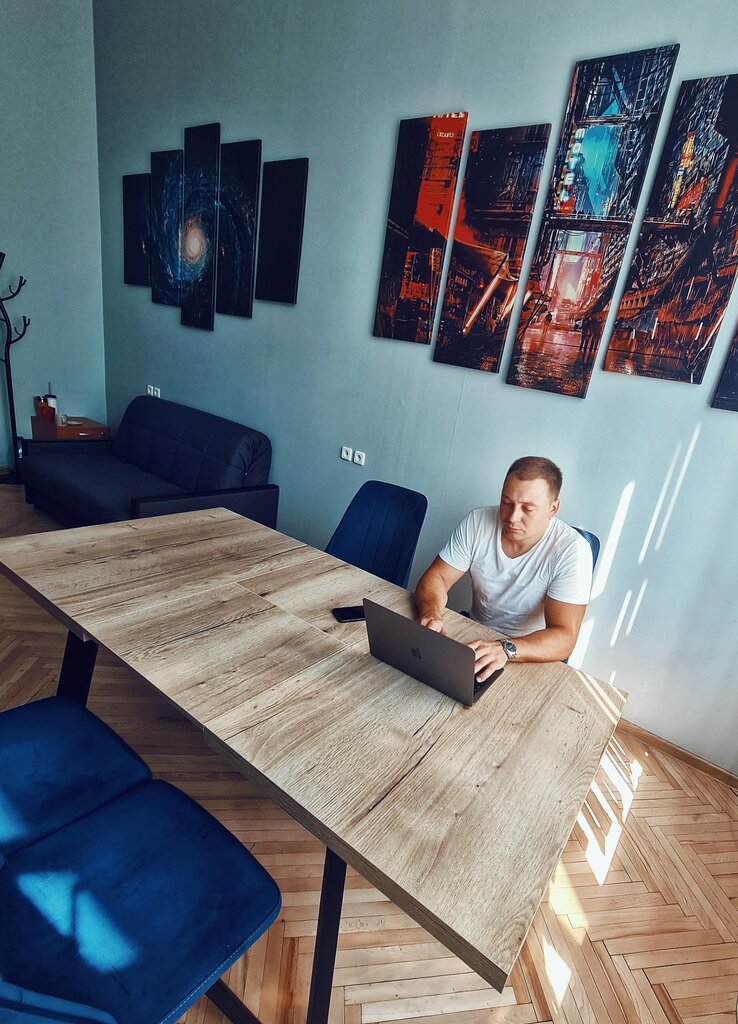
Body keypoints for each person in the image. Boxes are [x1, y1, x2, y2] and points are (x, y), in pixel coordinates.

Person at [414, 456, 593, 682]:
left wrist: (505, 649)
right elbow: (437, 577)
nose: (512, 517)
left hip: (528, 652)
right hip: (474, 635)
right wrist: (431, 612)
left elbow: (565, 638)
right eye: (506, 502)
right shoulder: (477, 521)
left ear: (553, 508)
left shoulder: (573, 551)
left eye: (528, 509)